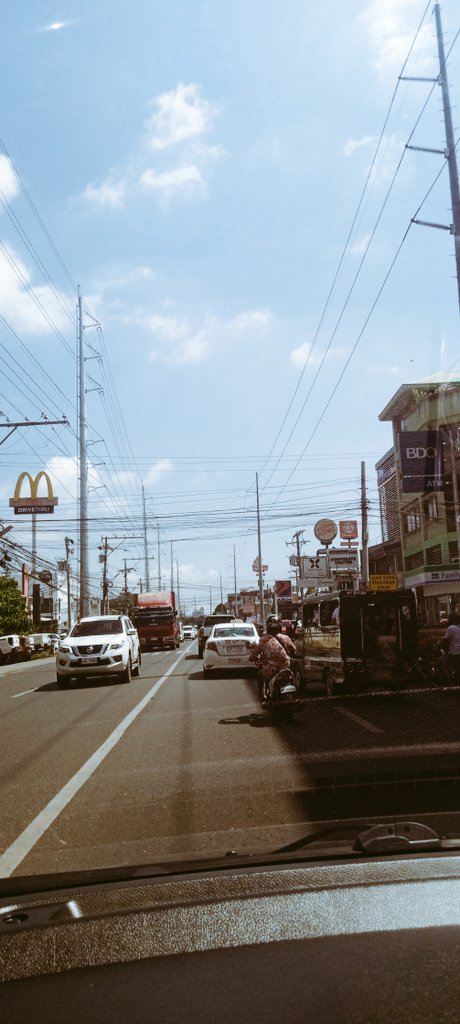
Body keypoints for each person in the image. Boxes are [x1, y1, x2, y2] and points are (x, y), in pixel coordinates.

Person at [250, 615, 296, 702]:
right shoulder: (285, 638)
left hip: (271, 669)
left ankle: (263, 697)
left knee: (260, 675)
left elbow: (255, 653)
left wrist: (251, 657)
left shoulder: (264, 640)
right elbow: (294, 649)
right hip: (285, 666)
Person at [439, 612, 460, 683]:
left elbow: (445, 640)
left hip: (453, 652)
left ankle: (450, 684)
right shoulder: (458, 627)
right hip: (458, 651)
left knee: (445, 666)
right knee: (457, 668)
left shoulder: (450, 628)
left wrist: (440, 645)